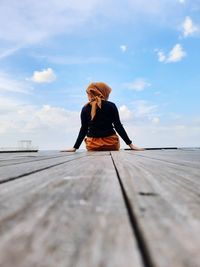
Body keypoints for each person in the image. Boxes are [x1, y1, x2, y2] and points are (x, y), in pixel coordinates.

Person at [62, 82, 144, 152]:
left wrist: (75, 147)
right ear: (103, 92)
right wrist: (131, 145)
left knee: (89, 139)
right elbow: (118, 126)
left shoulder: (85, 108)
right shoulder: (111, 105)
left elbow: (83, 129)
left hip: (93, 145)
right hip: (111, 144)